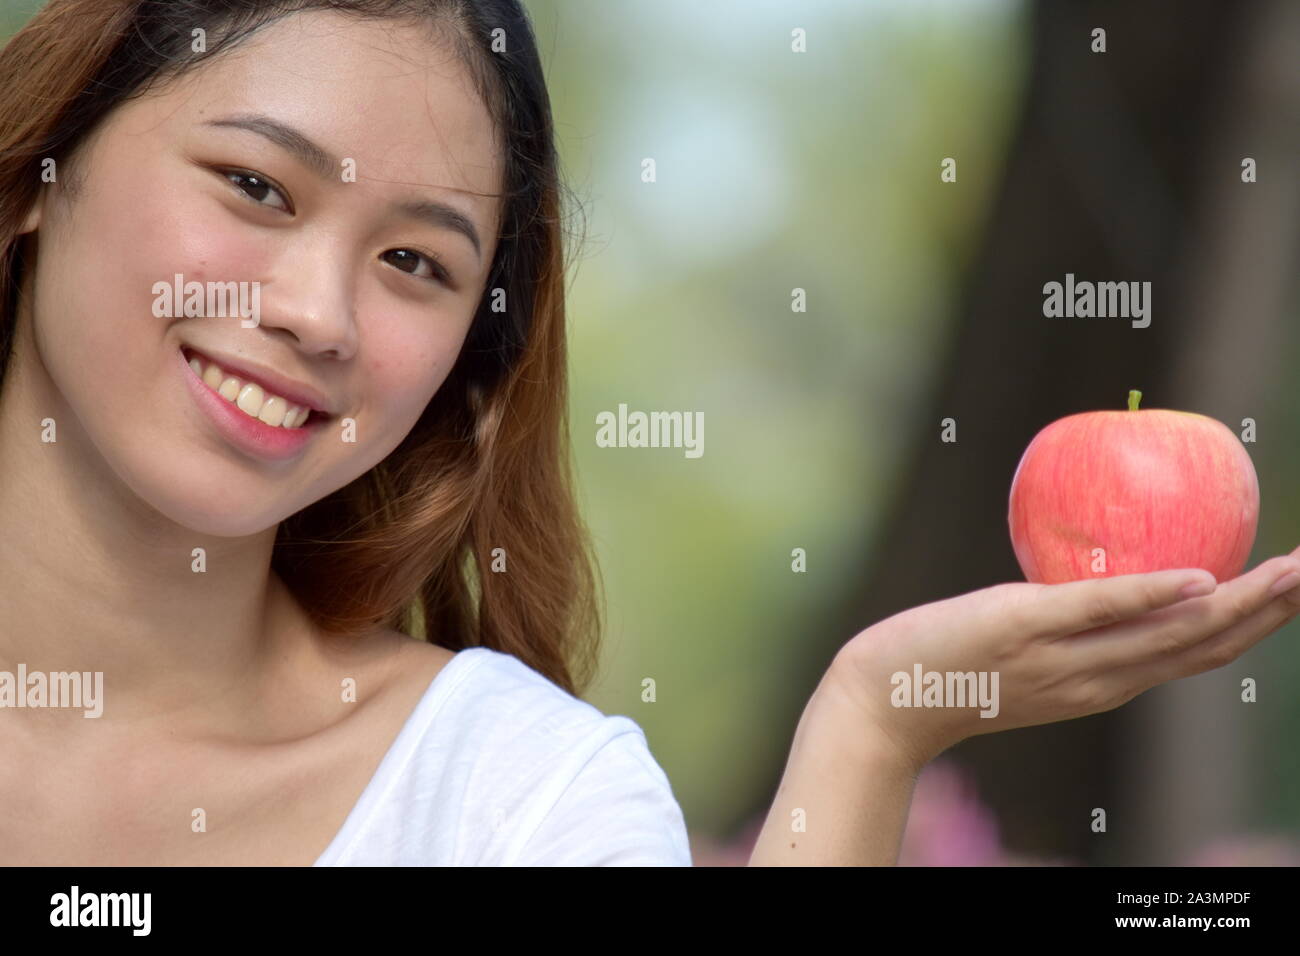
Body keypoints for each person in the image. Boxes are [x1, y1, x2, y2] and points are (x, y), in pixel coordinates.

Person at [3, 0, 1298, 867]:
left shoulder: (518, 799)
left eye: (414, 261)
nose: (315, 313)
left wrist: (877, 723)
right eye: (254, 186)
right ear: (39, 176)